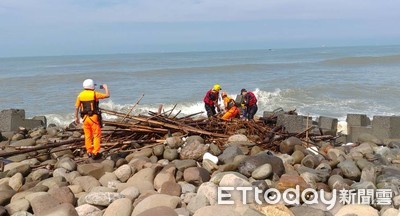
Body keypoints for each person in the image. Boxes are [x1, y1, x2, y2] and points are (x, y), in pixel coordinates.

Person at [75, 79, 110, 158]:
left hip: (84, 118)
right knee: (96, 135)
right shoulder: (94, 94)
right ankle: (95, 152)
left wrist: (76, 117)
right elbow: (107, 95)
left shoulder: (80, 95)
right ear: (91, 86)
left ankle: (89, 151)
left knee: (87, 135)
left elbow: (77, 107)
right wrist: (106, 87)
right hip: (93, 118)